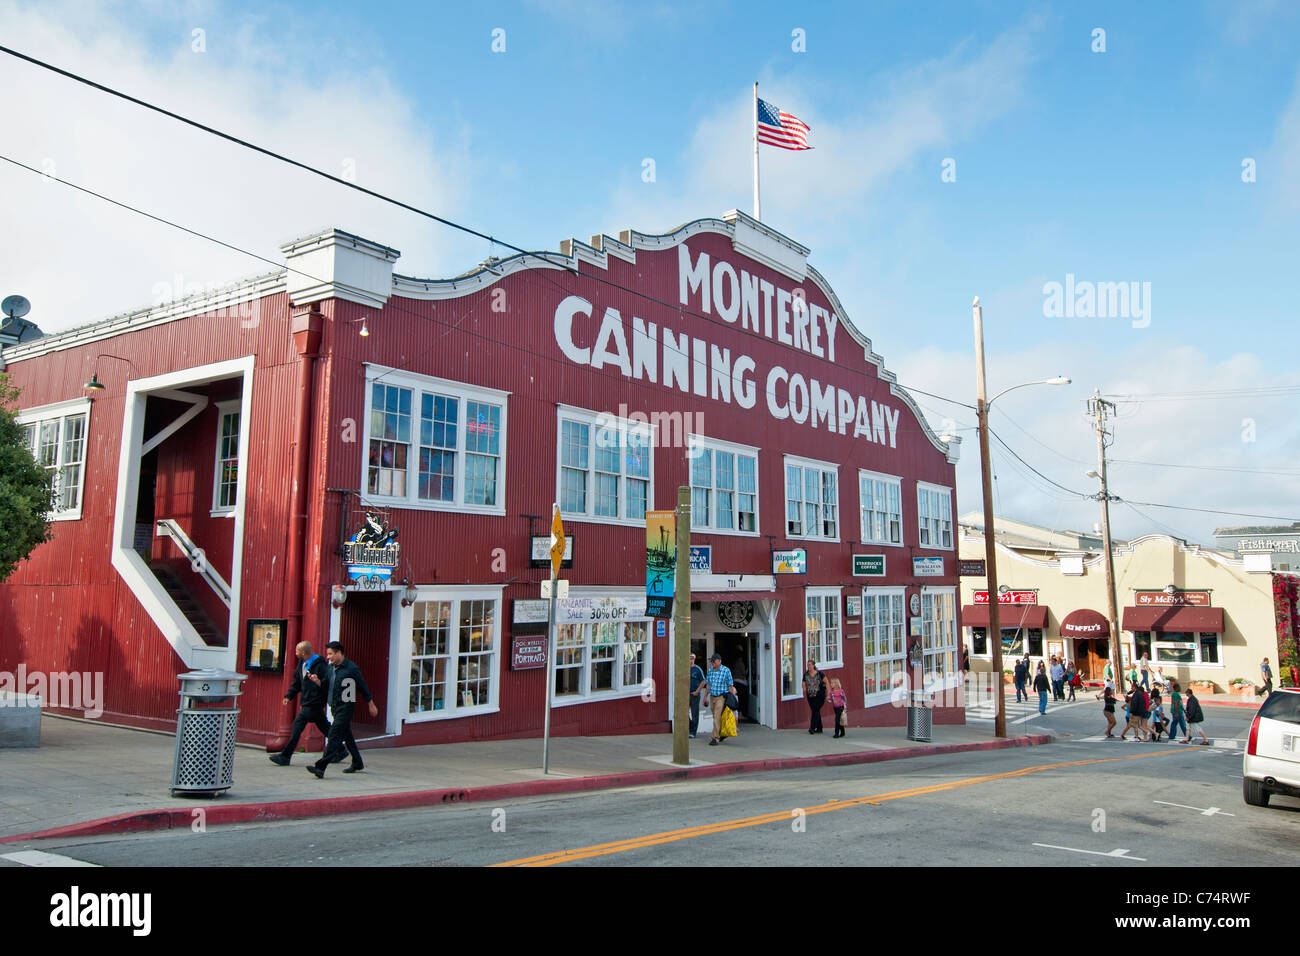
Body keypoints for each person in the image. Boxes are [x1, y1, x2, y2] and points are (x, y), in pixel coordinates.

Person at [308, 641, 378, 777]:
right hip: (334, 706)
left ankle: (321, 767)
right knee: (347, 736)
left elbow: (362, 686)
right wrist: (317, 681)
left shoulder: (351, 669)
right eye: (327, 654)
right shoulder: (330, 668)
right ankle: (357, 762)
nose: (328, 657)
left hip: (346, 707)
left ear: (339, 653)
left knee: (334, 736)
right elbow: (325, 685)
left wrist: (371, 703)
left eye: (330, 654)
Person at [270, 641, 331, 766]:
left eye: (297, 651)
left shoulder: (320, 665)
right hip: (308, 701)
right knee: (324, 727)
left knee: (296, 727)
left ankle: (285, 756)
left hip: (314, 702)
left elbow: (325, 684)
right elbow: (297, 682)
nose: (295, 653)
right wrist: (289, 696)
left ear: (303, 652)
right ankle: (340, 749)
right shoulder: (302, 663)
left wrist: (318, 697)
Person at [705, 653, 737, 746]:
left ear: (719, 661)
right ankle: (721, 733)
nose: (712, 663)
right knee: (716, 717)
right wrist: (705, 697)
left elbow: (730, 685)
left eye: (713, 661)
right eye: (711, 661)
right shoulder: (710, 670)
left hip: (721, 697)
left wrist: (733, 698)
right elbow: (708, 684)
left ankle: (715, 738)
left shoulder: (726, 671)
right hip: (712, 697)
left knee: (717, 716)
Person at [803, 660, 827, 734]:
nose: (809, 666)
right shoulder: (806, 674)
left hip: (820, 695)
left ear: (813, 665)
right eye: (808, 665)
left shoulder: (819, 674)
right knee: (815, 710)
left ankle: (812, 728)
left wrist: (828, 694)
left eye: (810, 665)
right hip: (810, 695)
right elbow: (804, 682)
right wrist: (804, 688)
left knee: (815, 710)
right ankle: (819, 728)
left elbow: (827, 682)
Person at [687, 653, 706, 739]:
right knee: (684, 713)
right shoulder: (685, 669)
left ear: (694, 659)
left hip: (694, 694)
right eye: (689, 658)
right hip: (686, 694)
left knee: (695, 713)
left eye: (692, 659)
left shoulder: (697, 669)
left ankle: (693, 732)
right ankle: (689, 727)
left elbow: (703, 681)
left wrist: (697, 691)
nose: (691, 660)